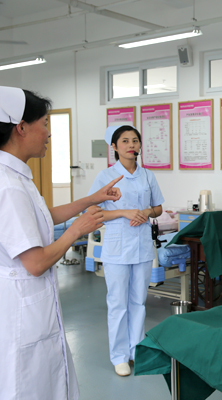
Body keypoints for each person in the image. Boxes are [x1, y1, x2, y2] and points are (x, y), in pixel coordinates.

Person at [0, 86, 121, 399]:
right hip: (20, 306)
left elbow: (42, 217)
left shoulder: (17, 177)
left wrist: (91, 199)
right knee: (26, 384)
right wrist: (76, 230)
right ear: (21, 127)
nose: (48, 133)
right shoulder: (8, 185)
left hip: (28, 306)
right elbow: (36, 262)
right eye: (44, 124)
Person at [88, 125, 164, 377]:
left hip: (142, 246)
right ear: (114, 146)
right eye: (125, 141)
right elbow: (93, 211)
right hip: (117, 247)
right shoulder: (106, 176)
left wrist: (146, 212)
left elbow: (158, 208)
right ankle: (119, 356)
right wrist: (123, 212)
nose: (131, 145)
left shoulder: (147, 176)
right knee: (118, 303)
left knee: (138, 302)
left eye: (135, 140)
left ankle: (136, 351)